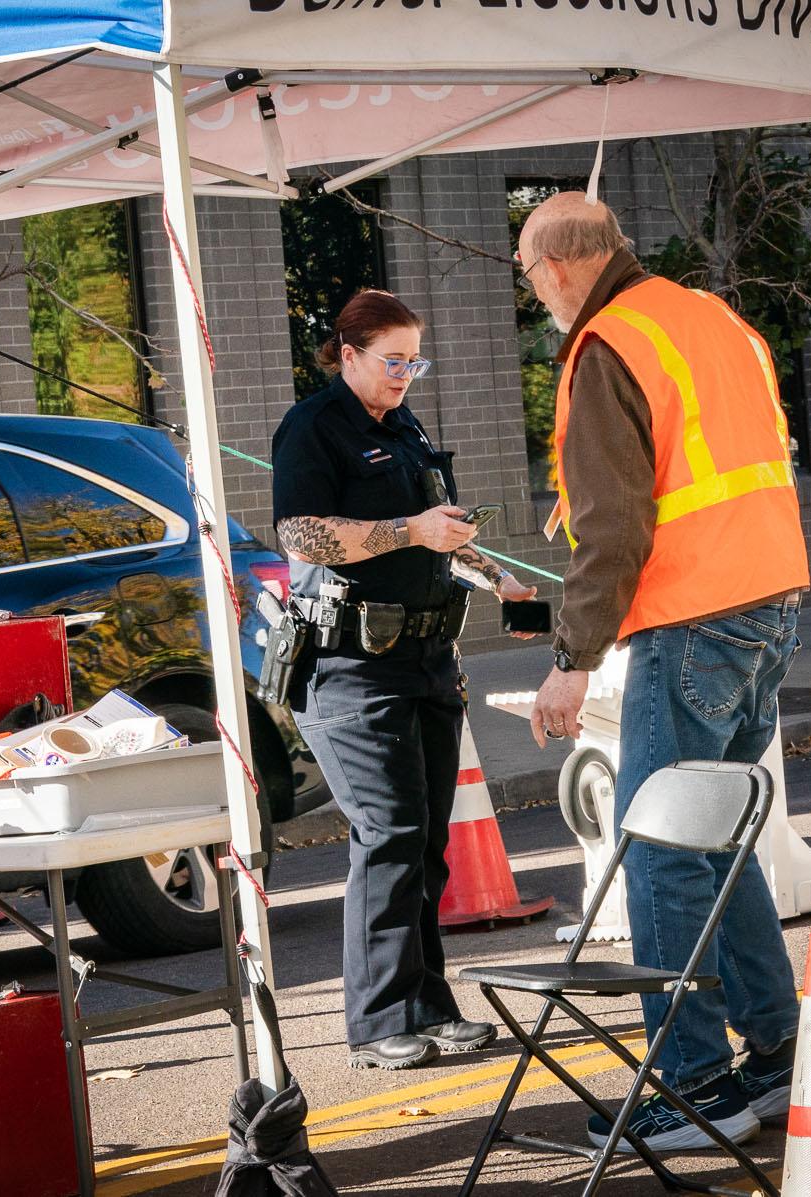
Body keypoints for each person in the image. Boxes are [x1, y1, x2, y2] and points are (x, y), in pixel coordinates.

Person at [519, 193, 811, 1149]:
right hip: (769, 600)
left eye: (528, 275)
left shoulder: (604, 344)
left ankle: (694, 1088)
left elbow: (616, 530)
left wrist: (571, 661)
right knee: (712, 841)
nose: (535, 295)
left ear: (558, 267)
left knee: (661, 853)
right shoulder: (709, 315)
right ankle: (776, 1052)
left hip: (692, 617)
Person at [270, 289, 536, 1070]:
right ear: (347, 354)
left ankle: (425, 1002)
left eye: (414, 361)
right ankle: (378, 1017)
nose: (405, 375)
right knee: (386, 834)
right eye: (393, 361)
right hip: (352, 669)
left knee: (423, 842)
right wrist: (408, 530)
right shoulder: (314, 427)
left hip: (424, 660)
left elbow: (436, 528)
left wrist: (497, 579)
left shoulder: (405, 428)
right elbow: (302, 533)